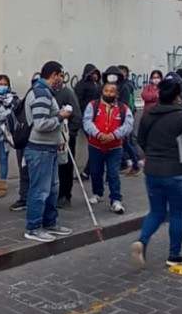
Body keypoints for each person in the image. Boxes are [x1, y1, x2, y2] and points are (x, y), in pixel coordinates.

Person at [131, 79, 182, 269]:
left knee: (156, 211)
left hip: (153, 170)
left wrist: (151, 156)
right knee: (177, 214)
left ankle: (142, 241)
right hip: (177, 171)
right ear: (178, 95)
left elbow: (141, 140)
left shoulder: (148, 115)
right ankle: (174, 254)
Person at [22, 62, 74, 243]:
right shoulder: (41, 93)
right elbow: (41, 124)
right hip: (39, 150)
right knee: (40, 190)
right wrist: (61, 116)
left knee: (52, 189)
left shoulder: (46, 93)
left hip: (48, 149)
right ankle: (33, 227)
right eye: (61, 75)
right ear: (54, 75)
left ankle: (50, 222)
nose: (62, 80)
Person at [83, 81, 133, 213]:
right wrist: (98, 134)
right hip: (95, 145)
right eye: (106, 91)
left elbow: (128, 125)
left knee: (113, 174)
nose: (108, 94)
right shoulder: (93, 106)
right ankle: (97, 193)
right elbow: (87, 122)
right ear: (102, 92)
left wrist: (114, 135)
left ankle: (116, 199)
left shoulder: (123, 109)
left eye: (112, 91)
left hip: (115, 147)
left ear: (116, 93)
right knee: (95, 171)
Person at [52, 75, 82, 208]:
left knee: (66, 166)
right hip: (52, 136)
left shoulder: (67, 93)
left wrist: (70, 133)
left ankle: (65, 195)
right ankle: (55, 194)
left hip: (66, 137)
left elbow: (76, 116)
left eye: (59, 76)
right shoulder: (49, 93)